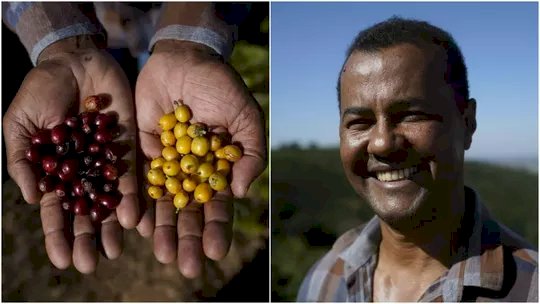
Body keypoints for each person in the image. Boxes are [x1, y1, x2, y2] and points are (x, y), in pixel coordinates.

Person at [2, 2, 267, 278]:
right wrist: (64, 41)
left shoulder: (183, 149)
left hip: (172, 27)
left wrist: (189, 39)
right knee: (120, 63)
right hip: (103, 30)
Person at [297, 17, 537, 302]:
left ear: (468, 123)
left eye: (412, 115)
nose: (382, 143)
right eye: (360, 122)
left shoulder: (529, 289)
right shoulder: (323, 281)